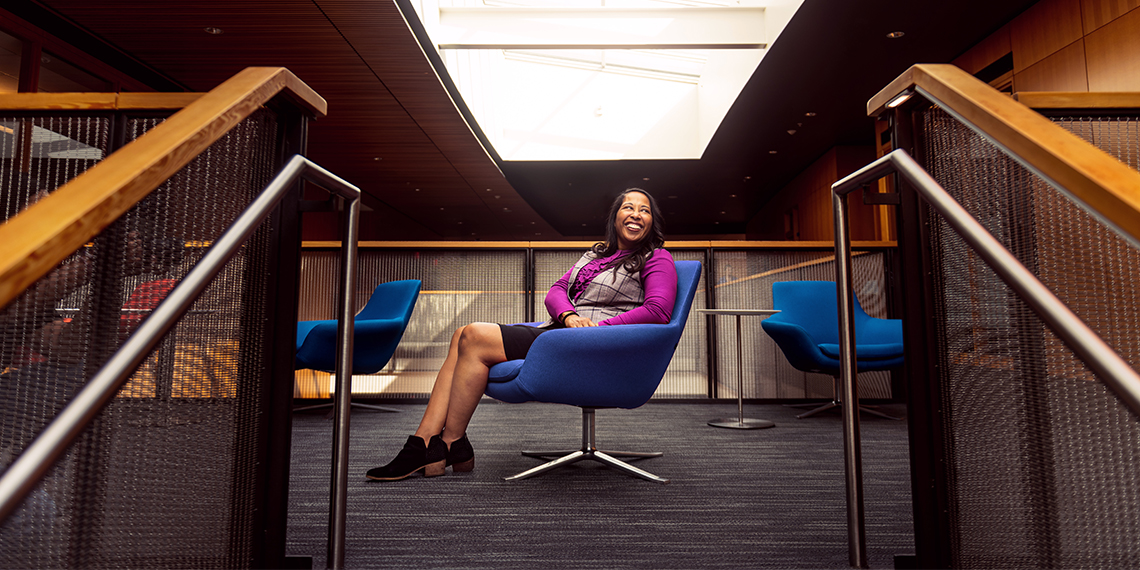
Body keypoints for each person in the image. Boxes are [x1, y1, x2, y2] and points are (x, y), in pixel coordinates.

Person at [366, 188, 678, 481]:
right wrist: (569, 315)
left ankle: (444, 443)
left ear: (652, 222)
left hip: (592, 343)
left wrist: (597, 327)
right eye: (628, 207)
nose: (636, 214)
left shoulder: (656, 258)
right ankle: (433, 443)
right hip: (562, 333)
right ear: (615, 218)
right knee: (462, 333)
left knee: (474, 335)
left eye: (644, 210)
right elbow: (556, 290)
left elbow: (659, 311)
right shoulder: (596, 255)